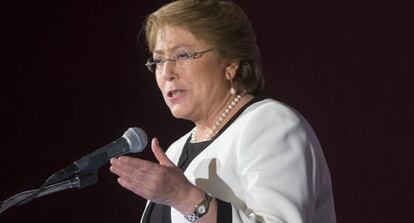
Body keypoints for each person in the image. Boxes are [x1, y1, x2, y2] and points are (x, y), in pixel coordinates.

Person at [109, 0, 337, 222]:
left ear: (230, 63)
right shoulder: (176, 151)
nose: (167, 72)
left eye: (183, 55)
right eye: (159, 60)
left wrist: (185, 198)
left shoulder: (271, 125)